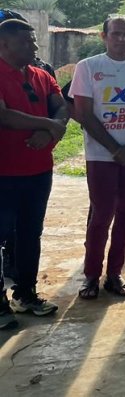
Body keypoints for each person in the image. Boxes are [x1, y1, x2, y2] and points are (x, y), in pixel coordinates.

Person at [70, 16, 125, 299]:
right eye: (115, 34)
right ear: (103, 36)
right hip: (100, 155)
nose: (121, 39)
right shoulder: (88, 67)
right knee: (102, 213)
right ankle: (92, 276)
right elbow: (84, 114)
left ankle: (115, 274)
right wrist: (115, 148)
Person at [0, 18, 68, 328]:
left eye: (34, 41)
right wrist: (47, 125)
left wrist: (52, 131)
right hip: (5, 171)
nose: (34, 46)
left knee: (30, 234)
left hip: (38, 170)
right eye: (26, 41)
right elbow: (4, 117)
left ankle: (25, 294)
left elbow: (61, 107)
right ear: (5, 44)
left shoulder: (43, 75)